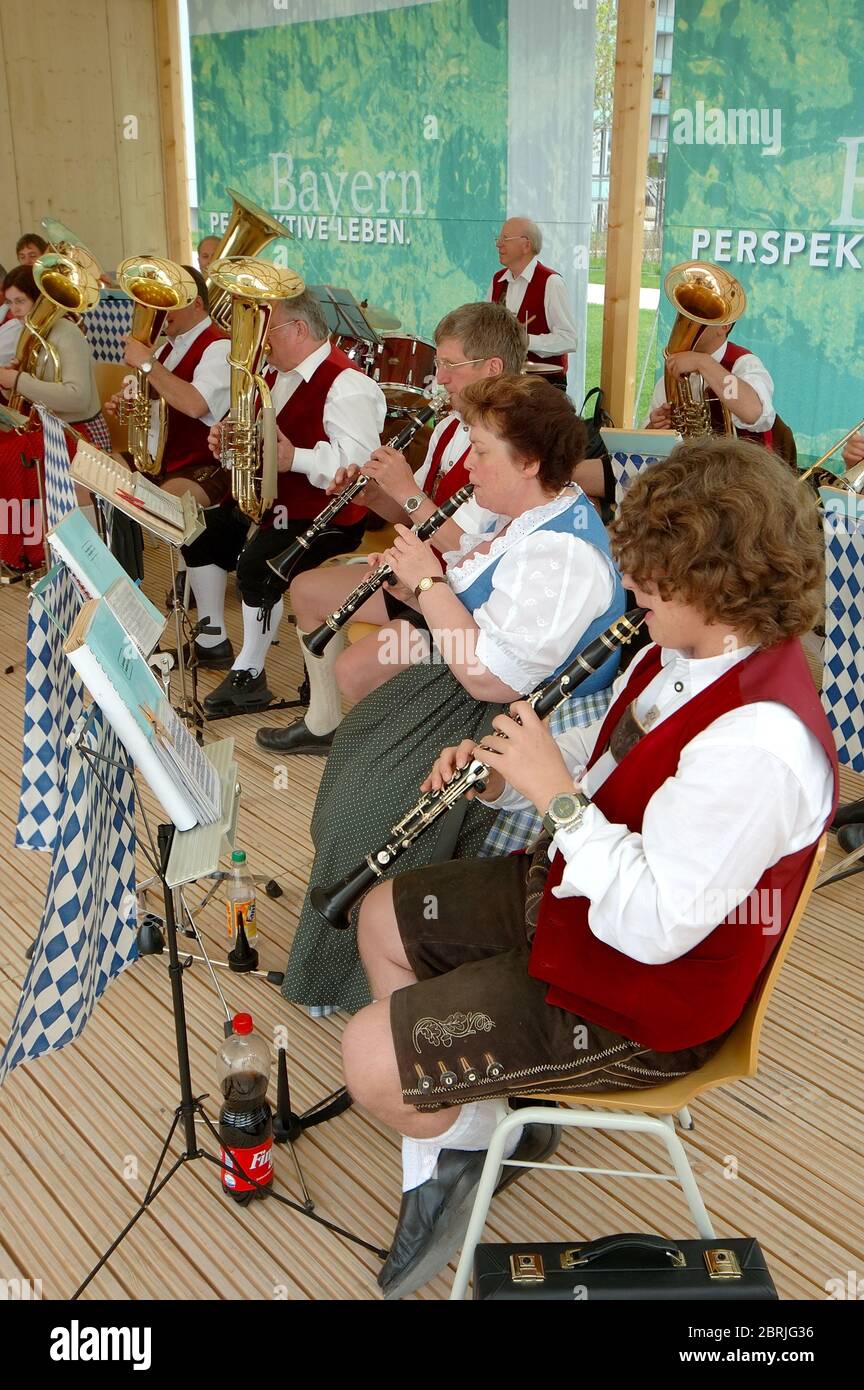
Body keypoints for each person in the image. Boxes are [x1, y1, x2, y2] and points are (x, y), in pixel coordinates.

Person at [338, 436, 837, 1299]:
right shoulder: (681, 652)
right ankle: (479, 1124)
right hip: (580, 890)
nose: (630, 584)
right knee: (380, 915)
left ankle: (459, 1127)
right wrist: (509, 774)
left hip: (648, 996)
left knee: (367, 1059)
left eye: (649, 573)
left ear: (715, 587)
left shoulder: (760, 746)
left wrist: (558, 800)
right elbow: (604, 764)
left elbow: (653, 923)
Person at [282, 374, 625, 1017]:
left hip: (500, 705)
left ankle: (374, 970)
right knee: (354, 755)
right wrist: (416, 588)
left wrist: (428, 584)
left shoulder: (561, 554)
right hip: (458, 676)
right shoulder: (526, 514)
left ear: (527, 464)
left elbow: (491, 678)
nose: (469, 462)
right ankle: (348, 959)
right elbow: (469, 608)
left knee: (370, 803)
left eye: (482, 450)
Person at [258, 301, 524, 755]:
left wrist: (406, 493)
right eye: (438, 364)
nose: (438, 378)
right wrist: (374, 496)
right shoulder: (449, 429)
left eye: (448, 366)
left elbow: (469, 548)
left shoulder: (511, 441)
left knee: (354, 671)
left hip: (461, 601)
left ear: (492, 368)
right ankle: (323, 723)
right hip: (416, 578)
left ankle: (417, 752)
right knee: (305, 590)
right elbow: (410, 513)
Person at [201, 287, 387, 713]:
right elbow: (255, 438)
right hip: (278, 505)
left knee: (257, 566)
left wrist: (294, 458)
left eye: (268, 329)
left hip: (331, 516)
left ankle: (250, 671)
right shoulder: (270, 375)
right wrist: (227, 441)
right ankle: (211, 636)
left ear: (299, 329)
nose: (260, 340)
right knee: (207, 533)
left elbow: (358, 467)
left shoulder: (348, 385)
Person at [103, 264, 234, 658]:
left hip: (207, 462)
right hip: (162, 457)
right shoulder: (163, 346)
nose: (159, 313)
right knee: (93, 472)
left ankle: (202, 633)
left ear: (195, 303)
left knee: (169, 504)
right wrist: (128, 405)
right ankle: (110, 584)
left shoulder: (219, 346)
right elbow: (155, 399)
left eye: (167, 305)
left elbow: (196, 405)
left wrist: (147, 365)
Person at [647, 301, 775, 447]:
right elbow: (643, 443)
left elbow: (753, 412)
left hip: (740, 468)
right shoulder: (669, 379)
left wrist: (703, 363)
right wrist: (655, 427)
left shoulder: (743, 364)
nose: (686, 322)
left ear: (724, 326)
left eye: (699, 318)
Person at [487, 217, 578, 389]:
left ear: (526, 245)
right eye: (498, 239)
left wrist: (526, 340)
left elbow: (569, 340)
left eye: (505, 239)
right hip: (505, 384)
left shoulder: (551, 282)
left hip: (544, 387)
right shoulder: (497, 280)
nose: (499, 244)